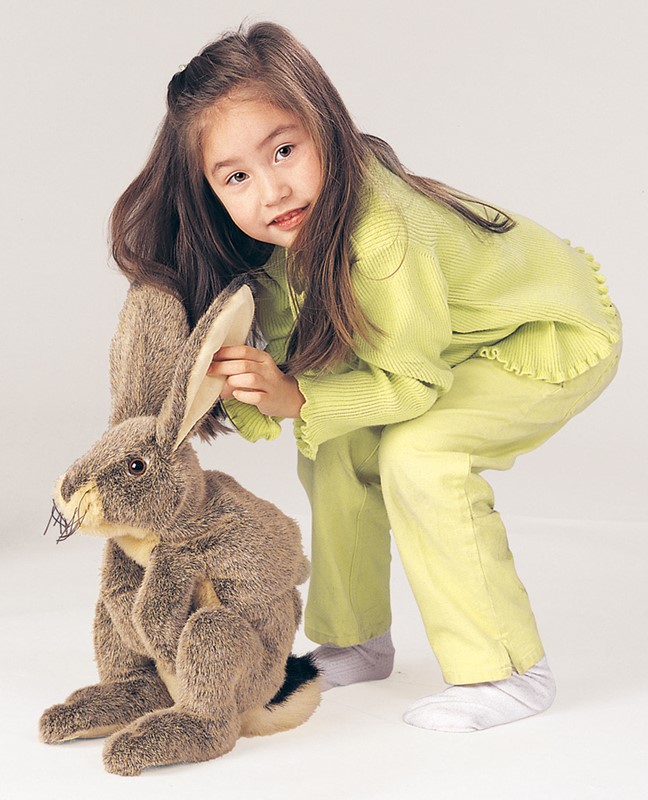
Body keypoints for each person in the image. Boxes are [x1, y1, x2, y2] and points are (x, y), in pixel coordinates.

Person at [110, 21, 621, 733]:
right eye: (236, 177)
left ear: (324, 125)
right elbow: (309, 374)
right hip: (442, 345)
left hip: (546, 329)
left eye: (284, 150)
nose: (272, 189)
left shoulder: (382, 236)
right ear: (211, 193)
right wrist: (252, 388)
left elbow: (411, 384)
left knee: (420, 454)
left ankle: (508, 670)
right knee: (336, 443)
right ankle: (356, 639)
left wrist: (297, 396)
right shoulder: (283, 241)